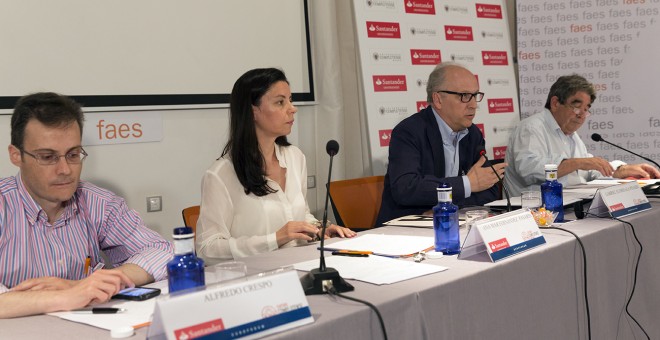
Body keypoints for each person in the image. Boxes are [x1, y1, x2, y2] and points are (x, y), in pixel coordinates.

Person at [0, 92, 173, 319]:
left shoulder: (98, 202)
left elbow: (164, 251)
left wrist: (102, 281)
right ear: (16, 155)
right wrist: (67, 295)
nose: (65, 169)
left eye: (73, 154)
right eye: (48, 157)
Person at [197, 68, 355, 262]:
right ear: (253, 111)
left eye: (291, 99)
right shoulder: (221, 175)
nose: (292, 108)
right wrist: (275, 239)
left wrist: (319, 229)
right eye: (280, 102)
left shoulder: (295, 157)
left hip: (300, 266)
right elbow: (207, 249)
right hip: (254, 279)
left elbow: (300, 214)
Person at [376, 63, 507, 226]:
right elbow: (406, 187)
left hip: (454, 224)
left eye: (475, 95)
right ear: (438, 99)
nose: (473, 104)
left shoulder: (472, 134)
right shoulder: (409, 131)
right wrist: (467, 184)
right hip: (406, 228)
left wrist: (446, 210)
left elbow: (489, 188)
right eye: (464, 96)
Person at [504, 74, 660, 196]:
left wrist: (620, 170)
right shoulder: (532, 128)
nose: (582, 115)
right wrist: (576, 163)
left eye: (586, 110)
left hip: (570, 208)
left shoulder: (571, 136)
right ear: (555, 103)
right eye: (577, 107)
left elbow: (589, 172)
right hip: (534, 213)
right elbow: (528, 170)